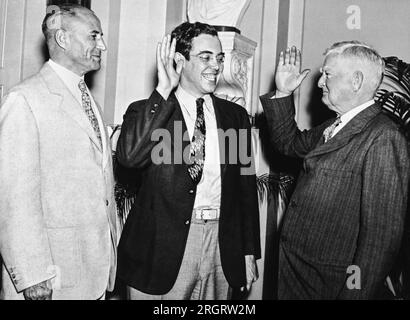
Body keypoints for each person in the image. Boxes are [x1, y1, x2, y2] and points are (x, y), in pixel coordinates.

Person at [116, 21, 260, 300]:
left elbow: (245, 187)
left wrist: (248, 250)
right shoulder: (149, 111)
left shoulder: (235, 117)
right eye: (205, 57)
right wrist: (162, 91)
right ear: (180, 61)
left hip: (221, 244)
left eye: (219, 58)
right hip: (161, 251)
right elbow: (130, 157)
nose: (216, 66)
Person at [260, 41, 410, 299]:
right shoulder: (335, 125)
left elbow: (380, 239)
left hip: (331, 286)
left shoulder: (383, 136)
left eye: (328, 75)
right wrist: (283, 93)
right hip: (299, 277)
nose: (319, 82)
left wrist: (353, 294)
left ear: (356, 81)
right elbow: (289, 143)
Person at [0, 4, 118, 300]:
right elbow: (13, 197)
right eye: (93, 36)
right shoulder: (24, 99)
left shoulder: (85, 97)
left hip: (92, 275)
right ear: (63, 39)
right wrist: (33, 277)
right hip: (50, 279)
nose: (102, 45)